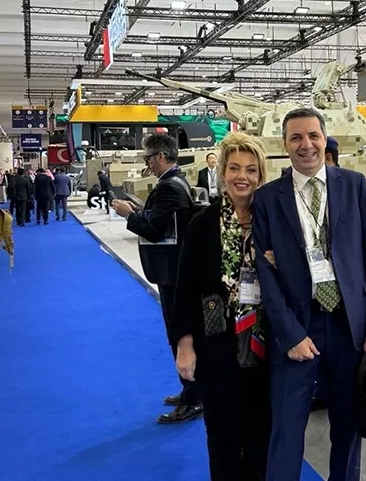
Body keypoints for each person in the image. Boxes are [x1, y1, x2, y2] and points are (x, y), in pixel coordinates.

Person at [252, 107, 366, 481]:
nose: (306, 144)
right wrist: (290, 334)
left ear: (325, 139)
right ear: (285, 144)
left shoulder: (354, 186)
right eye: (296, 137)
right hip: (298, 327)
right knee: (286, 430)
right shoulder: (267, 199)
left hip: (349, 327)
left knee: (347, 426)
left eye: (313, 135)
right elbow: (266, 275)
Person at [172, 133, 270, 481]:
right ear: (223, 173)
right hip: (217, 345)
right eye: (234, 168)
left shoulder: (273, 222)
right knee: (223, 438)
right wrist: (185, 347)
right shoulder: (202, 224)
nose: (242, 176)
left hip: (265, 347)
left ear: (261, 175)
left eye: (251, 170)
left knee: (261, 438)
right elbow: (184, 289)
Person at [110, 133, 203, 424]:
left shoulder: (169, 188)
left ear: (160, 157)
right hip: (175, 269)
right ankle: (190, 390)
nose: (147, 164)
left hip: (173, 271)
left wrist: (128, 214)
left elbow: (154, 230)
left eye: (148, 158)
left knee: (180, 334)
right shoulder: (176, 183)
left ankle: (193, 397)